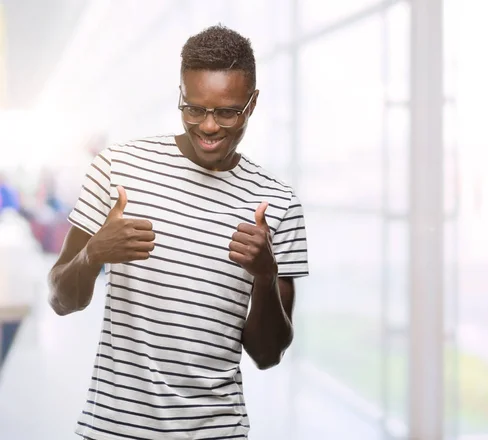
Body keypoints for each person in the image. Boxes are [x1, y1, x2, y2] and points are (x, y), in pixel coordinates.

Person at [47, 25, 309, 440]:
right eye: (194, 108)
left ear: (252, 103)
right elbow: (61, 300)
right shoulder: (118, 168)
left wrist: (265, 274)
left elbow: (268, 354)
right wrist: (93, 254)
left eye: (227, 112)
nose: (208, 127)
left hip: (217, 432)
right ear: (180, 96)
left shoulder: (277, 203)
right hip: (113, 429)